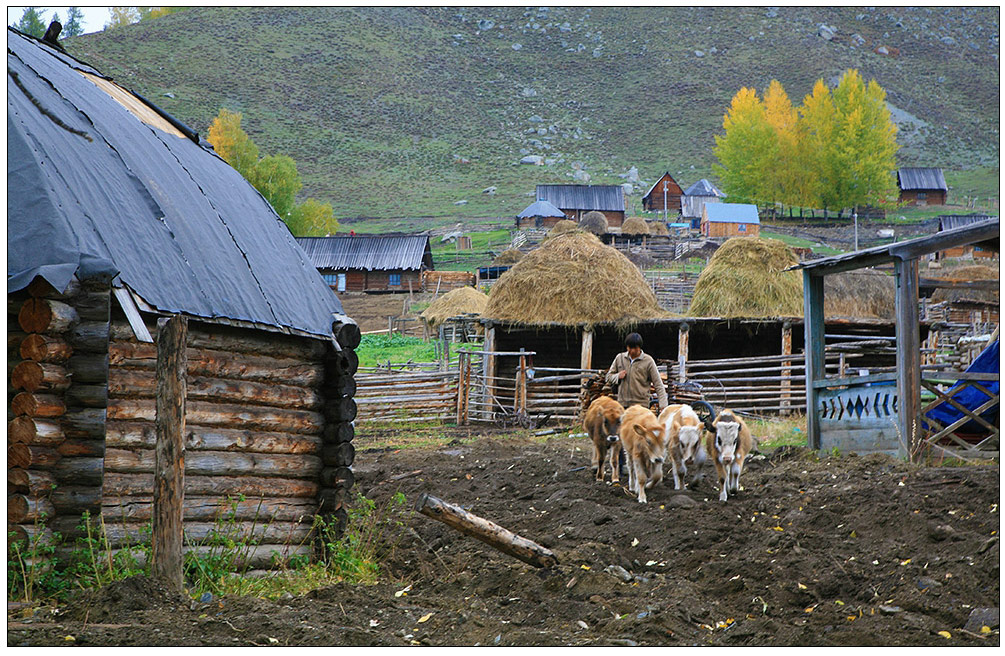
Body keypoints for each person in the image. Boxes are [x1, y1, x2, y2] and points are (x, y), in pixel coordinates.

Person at [605, 332, 668, 413]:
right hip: (622, 405)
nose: (629, 350)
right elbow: (608, 377)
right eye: (628, 347)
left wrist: (663, 405)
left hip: (641, 407)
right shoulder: (620, 358)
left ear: (639, 347)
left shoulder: (648, 361)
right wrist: (617, 376)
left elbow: (658, 384)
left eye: (632, 348)